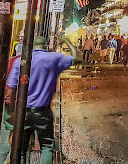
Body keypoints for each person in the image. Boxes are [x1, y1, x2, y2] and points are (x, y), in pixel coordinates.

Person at [7, 35, 78, 163]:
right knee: (46, 146)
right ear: (45, 46)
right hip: (43, 111)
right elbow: (75, 58)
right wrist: (67, 41)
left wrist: (12, 111)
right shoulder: (54, 58)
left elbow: (11, 89)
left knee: (21, 149)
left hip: (23, 111)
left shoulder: (21, 61)